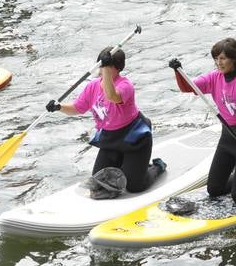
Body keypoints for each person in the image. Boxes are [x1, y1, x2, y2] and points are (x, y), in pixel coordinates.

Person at [169, 39, 236, 207]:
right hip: (227, 139)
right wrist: (178, 71)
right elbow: (187, 87)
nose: (218, 63)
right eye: (216, 59)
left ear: (234, 59)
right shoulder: (214, 78)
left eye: (222, 58)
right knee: (214, 189)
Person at [46, 46, 167, 188]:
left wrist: (107, 70)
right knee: (99, 183)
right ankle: (127, 163)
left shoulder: (125, 85)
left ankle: (157, 167)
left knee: (134, 186)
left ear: (117, 68)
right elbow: (77, 108)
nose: (101, 71)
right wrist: (59, 107)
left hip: (134, 138)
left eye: (105, 67)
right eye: (101, 67)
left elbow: (112, 96)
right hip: (110, 139)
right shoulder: (92, 86)